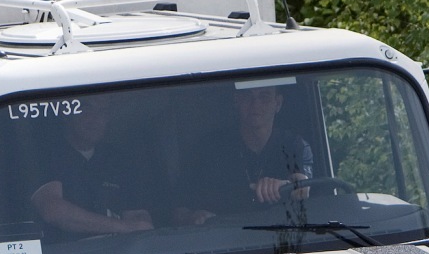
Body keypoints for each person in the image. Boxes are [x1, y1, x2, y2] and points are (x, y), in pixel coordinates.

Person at [180, 84, 315, 225]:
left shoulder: (294, 145)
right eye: (247, 96)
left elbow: (302, 190)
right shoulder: (209, 149)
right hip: (223, 239)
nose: (255, 104)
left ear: (278, 103)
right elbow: (178, 209)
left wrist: (283, 186)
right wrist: (194, 217)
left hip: (283, 236)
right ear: (236, 101)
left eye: (264, 97)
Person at [29, 105, 154, 235]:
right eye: (87, 109)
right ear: (66, 114)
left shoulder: (118, 160)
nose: (96, 119)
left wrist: (140, 227)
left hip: (119, 252)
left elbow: (139, 219)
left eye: (102, 111)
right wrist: (125, 227)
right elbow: (52, 210)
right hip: (64, 253)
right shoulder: (45, 155)